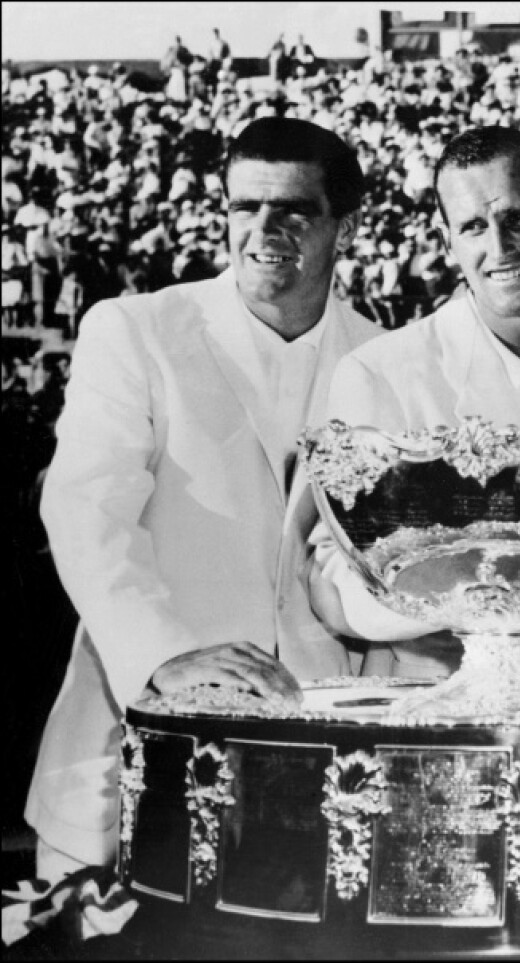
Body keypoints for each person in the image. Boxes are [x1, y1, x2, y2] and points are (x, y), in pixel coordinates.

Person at [26, 117, 383, 883]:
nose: (263, 230)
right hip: (128, 768)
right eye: (243, 208)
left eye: (292, 209)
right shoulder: (137, 328)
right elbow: (86, 509)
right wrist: (163, 654)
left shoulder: (381, 356)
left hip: (317, 787)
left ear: (346, 225)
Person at [307, 126, 520, 682]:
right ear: (447, 242)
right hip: (448, 705)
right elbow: (331, 575)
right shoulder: (378, 373)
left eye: (517, 218)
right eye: (472, 227)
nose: (498, 247)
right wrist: (478, 592)